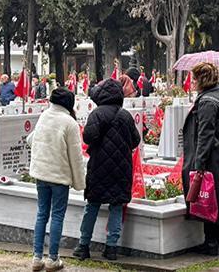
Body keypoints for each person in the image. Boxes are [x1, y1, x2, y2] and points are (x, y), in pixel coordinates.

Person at [73, 79, 140, 262]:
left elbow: (88, 137)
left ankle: (83, 246)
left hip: (99, 167)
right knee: (116, 206)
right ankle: (111, 248)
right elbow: (136, 140)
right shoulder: (125, 116)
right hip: (122, 168)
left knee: (92, 206)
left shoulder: (97, 114)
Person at [181, 62, 219, 256]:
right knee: (218, 198)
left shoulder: (206, 102)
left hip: (211, 158)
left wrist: (199, 163)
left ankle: (211, 243)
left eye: (194, 78)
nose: (192, 82)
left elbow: (205, 135)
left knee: (207, 199)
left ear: (201, 80)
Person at [26, 88, 85, 272]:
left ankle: (37, 258)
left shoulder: (44, 116)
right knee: (57, 215)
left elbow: (30, 139)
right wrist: (80, 183)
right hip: (59, 176)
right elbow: (76, 157)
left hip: (41, 174)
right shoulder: (69, 122)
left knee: (42, 214)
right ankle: (52, 259)